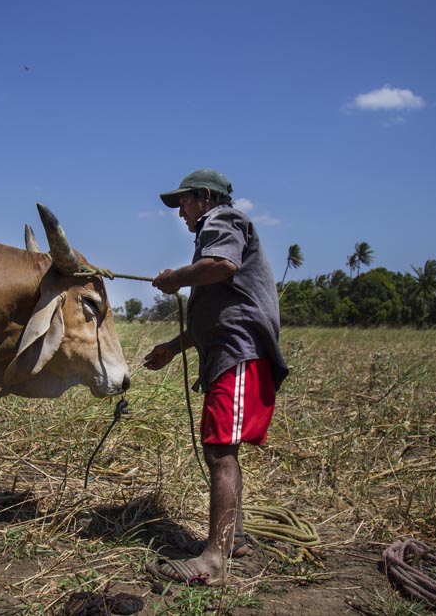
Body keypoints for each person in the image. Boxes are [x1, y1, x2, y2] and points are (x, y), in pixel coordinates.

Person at [144, 169, 288, 586]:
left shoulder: (222, 221)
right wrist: (173, 347)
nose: (181, 212)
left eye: (184, 202)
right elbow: (216, 316)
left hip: (239, 355)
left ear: (206, 197)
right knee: (221, 450)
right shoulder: (211, 236)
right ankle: (234, 538)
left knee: (221, 452)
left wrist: (175, 279)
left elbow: (222, 266)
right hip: (227, 353)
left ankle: (213, 560)